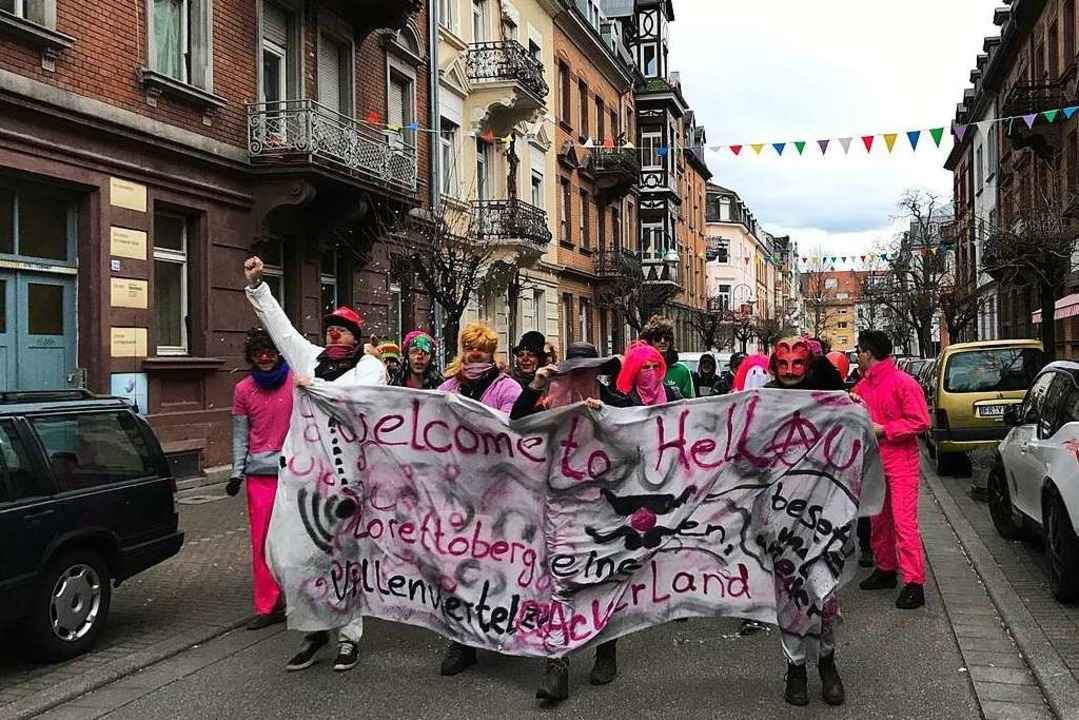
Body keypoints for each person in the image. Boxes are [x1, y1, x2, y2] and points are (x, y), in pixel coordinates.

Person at [243, 255, 386, 673]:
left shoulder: (370, 368)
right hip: (304, 482)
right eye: (329, 330)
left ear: (356, 336)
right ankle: (312, 629)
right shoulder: (310, 358)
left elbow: (357, 406)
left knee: (343, 556)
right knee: (297, 556)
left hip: (347, 482)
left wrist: (316, 387)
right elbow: (280, 328)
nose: (333, 335)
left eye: (341, 330)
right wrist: (258, 287)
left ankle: (349, 636)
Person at [510, 342, 628, 703]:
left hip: (604, 508)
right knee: (558, 585)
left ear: (596, 371)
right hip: (558, 505)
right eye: (572, 371)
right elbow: (514, 423)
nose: (578, 377)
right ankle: (556, 666)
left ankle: (605, 650)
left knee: (603, 580)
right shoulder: (549, 403)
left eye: (585, 371)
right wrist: (536, 384)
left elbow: (641, 441)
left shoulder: (616, 402)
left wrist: (606, 418)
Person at [763, 337, 846, 707]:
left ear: (807, 367)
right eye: (783, 365)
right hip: (781, 518)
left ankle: (827, 664)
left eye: (798, 364)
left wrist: (855, 407)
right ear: (774, 367)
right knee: (790, 597)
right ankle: (795, 667)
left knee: (825, 595)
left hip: (825, 515)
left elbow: (855, 435)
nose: (791, 371)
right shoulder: (761, 402)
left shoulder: (830, 399)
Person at [437, 322, 523, 676]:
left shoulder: (507, 388)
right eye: (470, 347)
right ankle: (463, 640)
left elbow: (511, 430)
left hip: (498, 493)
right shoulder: (446, 387)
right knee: (459, 565)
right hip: (457, 492)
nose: (475, 354)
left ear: (491, 353)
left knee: (497, 566)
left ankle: (500, 627)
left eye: (482, 349)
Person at [853, 330, 931, 610]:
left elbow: (921, 421)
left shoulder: (903, 383)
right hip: (875, 463)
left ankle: (914, 583)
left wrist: (885, 430)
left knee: (904, 522)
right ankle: (885, 568)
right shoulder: (864, 386)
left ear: (867, 353)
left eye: (858, 351)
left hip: (901, 462)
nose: (857, 356)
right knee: (878, 519)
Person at [228, 328, 292, 631]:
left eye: (270, 351)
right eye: (258, 353)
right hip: (260, 478)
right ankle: (268, 605)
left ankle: (297, 600)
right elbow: (240, 436)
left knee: (294, 541)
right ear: (251, 356)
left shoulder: (296, 382)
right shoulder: (243, 389)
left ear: (278, 352)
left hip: (294, 474)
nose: (265, 358)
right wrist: (235, 472)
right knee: (262, 543)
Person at [639, 315, 695, 399]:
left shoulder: (682, 371)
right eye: (658, 338)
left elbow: (691, 404)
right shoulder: (641, 369)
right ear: (650, 341)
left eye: (667, 338)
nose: (662, 341)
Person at [615, 341, 683, 404]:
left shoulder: (671, 394)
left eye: (655, 366)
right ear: (635, 370)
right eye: (646, 367)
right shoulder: (623, 397)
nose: (652, 371)